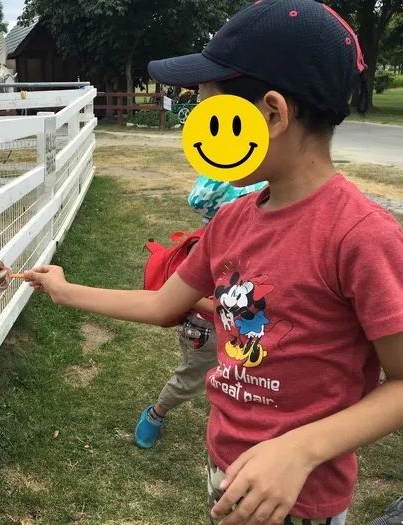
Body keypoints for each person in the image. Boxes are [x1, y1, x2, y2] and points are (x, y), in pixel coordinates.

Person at [23, 1, 403, 524]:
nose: (196, 136)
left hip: (298, 498)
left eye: (209, 114)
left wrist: (302, 450)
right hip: (224, 465)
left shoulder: (360, 236)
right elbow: (164, 304)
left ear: (271, 113)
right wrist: (66, 290)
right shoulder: (232, 220)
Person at [135, 175, 267, 449]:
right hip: (205, 330)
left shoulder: (247, 242)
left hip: (234, 326)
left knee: (241, 370)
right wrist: (233, 307)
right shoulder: (204, 247)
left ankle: (233, 408)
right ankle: (157, 413)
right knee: (190, 378)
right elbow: (191, 299)